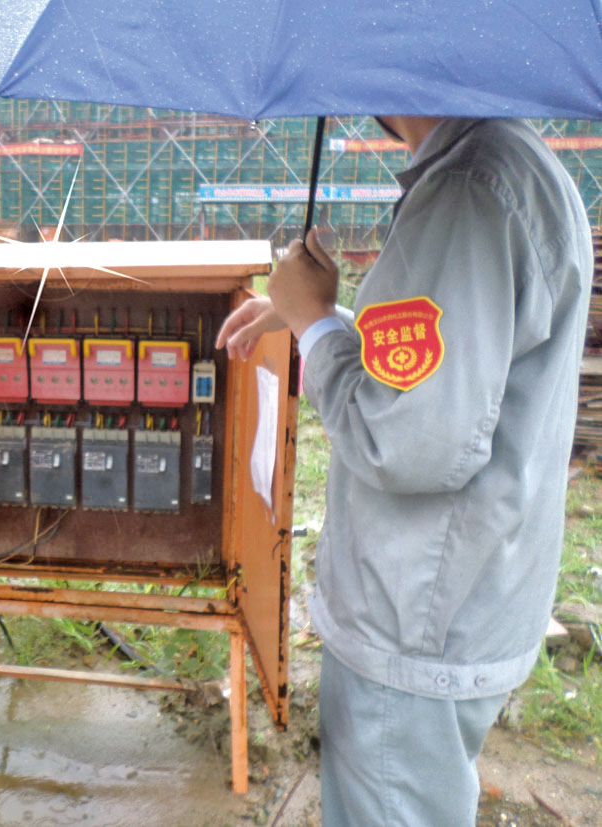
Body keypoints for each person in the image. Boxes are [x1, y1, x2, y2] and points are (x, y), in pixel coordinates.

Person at [216, 116, 592, 825]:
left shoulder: (465, 190)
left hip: (414, 623)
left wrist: (317, 326)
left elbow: (407, 442)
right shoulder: (516, 165)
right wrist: (313, 316)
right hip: (467, 599)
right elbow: (461, 360)